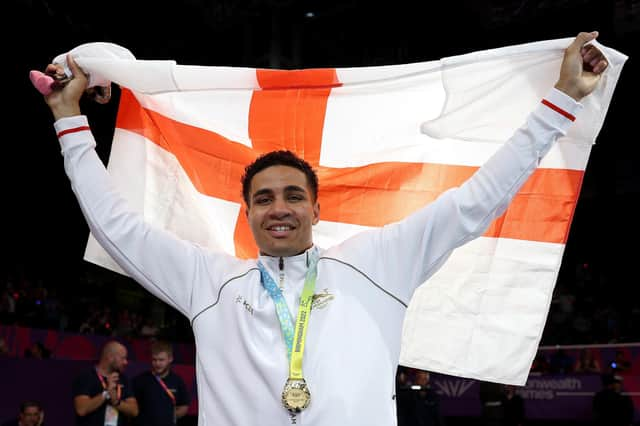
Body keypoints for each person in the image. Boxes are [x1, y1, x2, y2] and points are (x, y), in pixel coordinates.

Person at [38, 31, 608, 425]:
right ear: (248, 213)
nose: (278, 207)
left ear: (317, 210)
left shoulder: (379, 262)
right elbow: (115, 224)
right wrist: (69, 119)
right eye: (263, 198)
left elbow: (476, 201)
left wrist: (560, 101)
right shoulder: (207, 281)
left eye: (293, 195)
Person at [71, 340, 138, 426]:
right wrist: (106, 393)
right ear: (110, 357)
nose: (126, 362)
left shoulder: (123, 379)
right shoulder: (86, 377)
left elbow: (134, 411)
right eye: (122, 358)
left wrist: (116, 402)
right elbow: (81, 409)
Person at [132, 340, 190, 426]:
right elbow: (131, 406)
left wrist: (168, 417)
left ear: (170, 359)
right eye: (154, 360)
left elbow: (184, 406)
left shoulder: (177, 381)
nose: (157, 363)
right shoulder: (140, 380)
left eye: (161, 360)